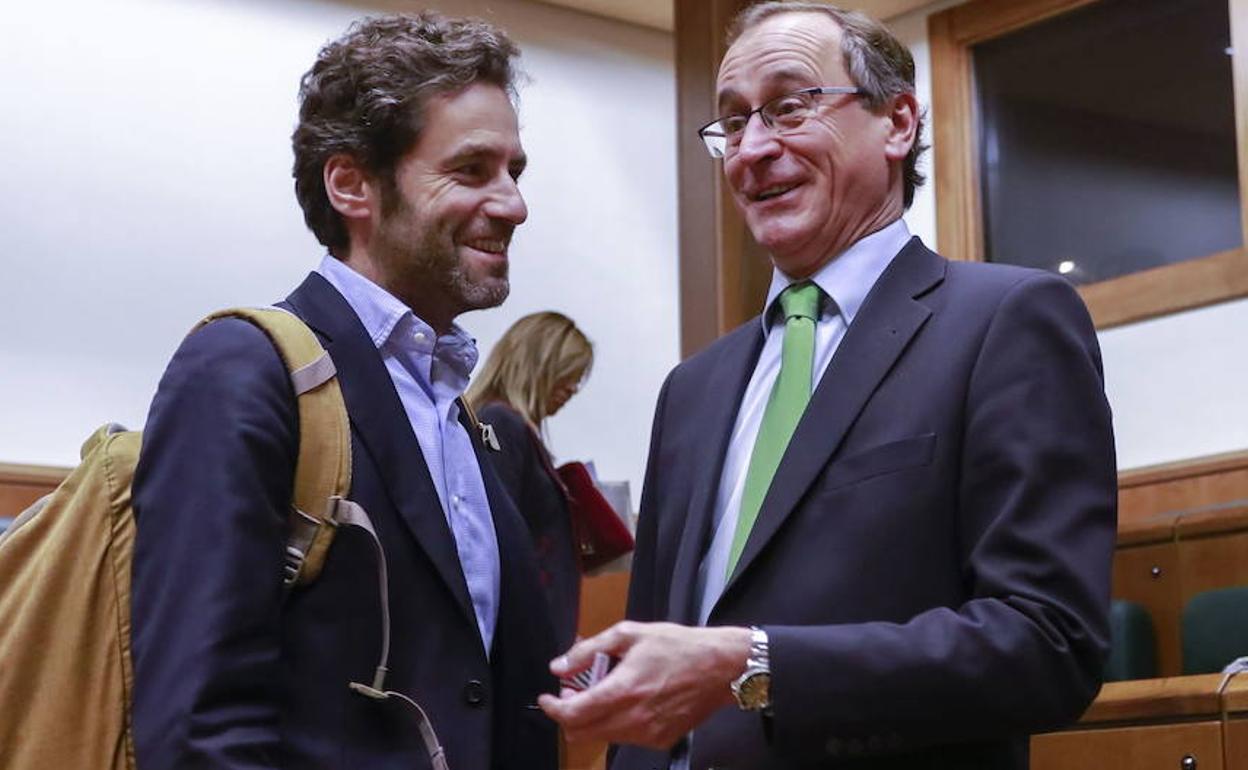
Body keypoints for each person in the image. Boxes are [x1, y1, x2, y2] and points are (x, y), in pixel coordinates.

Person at [540, 3, 1117, 769]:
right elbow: (658, 655)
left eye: (789, 107)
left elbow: (1047, 645)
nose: (751, 149)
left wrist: (757, 665)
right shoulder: (691, 390)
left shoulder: (1004, 323)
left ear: (898, 122)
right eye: (733, 123)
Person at [130, 13, 558, 770]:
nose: (513, 204)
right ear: (352, 184)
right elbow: (199, 727)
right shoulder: (243, 371)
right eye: (471, 170)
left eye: (514, 172)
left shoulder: (453, 407)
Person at [466, 311, 594, 650]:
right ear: (539, 363)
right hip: (522, 639)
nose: (573, 388)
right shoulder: (501, 424)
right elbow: (496, 541)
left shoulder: (507, 426)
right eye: (568, 372)